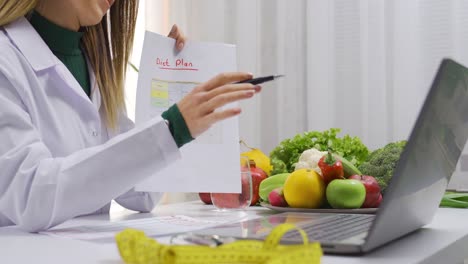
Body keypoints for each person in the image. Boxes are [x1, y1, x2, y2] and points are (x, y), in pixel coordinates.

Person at [0, 0, 261, 232]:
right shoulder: (6, 59)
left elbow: (142, 194)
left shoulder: (95, 64)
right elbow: (31, 196)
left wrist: (169, 79)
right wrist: (172, 128)